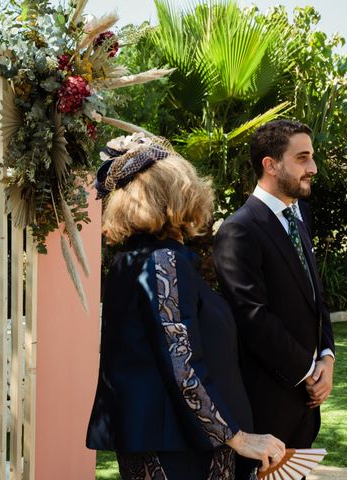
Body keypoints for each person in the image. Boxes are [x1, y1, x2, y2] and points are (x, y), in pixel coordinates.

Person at [86, 134, 285, 480]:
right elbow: (181, 363)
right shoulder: (162, 262)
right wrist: (236, 437)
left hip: (171, 444)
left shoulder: (133, 260)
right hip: (182, 453)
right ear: (175, 196)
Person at [213, 120, 335, 477]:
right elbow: (252, 318)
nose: (312, 168)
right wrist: (308, 371)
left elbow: (316, 297)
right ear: (271, 164)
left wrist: (327, 357)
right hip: (263, 408)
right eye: (302, 158)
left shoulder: (297, 220)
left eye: (311, 158)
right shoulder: (239, 230)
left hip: (304, 408)